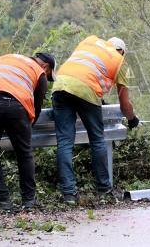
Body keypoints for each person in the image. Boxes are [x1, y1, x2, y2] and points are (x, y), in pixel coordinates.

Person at [52, 35, 139, 204]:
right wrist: (132, 119)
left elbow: (83, 69)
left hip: (60, 85)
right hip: (86, 90)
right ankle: (104, 190)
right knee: (97, 140)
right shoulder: (119, 61)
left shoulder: (90, 41)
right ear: (122, 52)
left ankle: (68, 194)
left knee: (64, 142)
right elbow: (124, 104)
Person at [0, 51, 56, 210]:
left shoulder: (5, 58)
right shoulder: (39, 73)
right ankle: (28, 200)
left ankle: (2, 200)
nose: (47, 78)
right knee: (24, 153)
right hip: (16, 105)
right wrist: (25, 130)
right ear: (46, 67)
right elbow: (36, 109)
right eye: (49, 75)